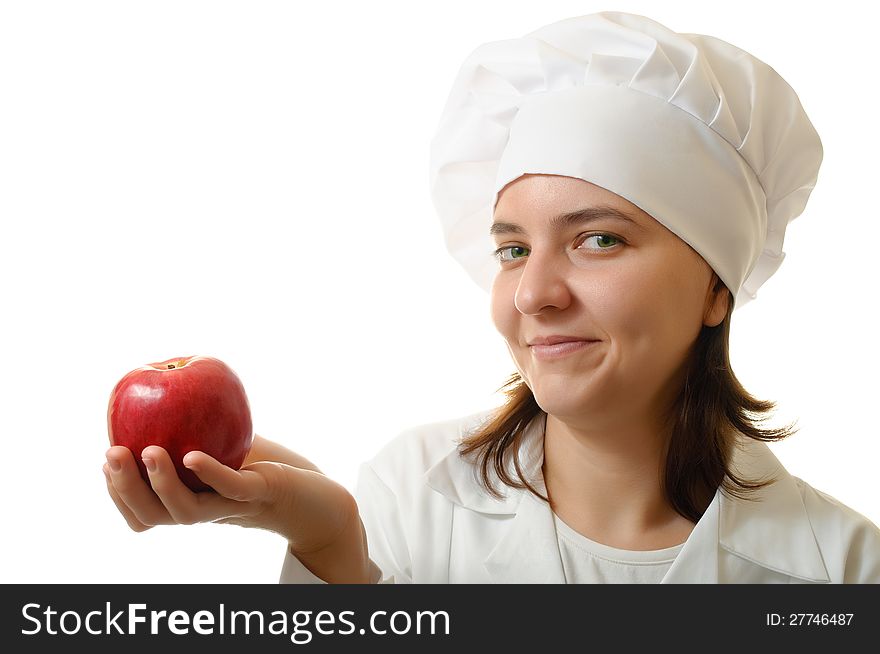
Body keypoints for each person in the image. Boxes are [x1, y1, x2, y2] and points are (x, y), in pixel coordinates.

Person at [103, 11, 880, 584]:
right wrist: (334, 549)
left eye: (598, 239)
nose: (533, 293)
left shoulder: (842, 571)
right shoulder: (403, 502)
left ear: (716, 285)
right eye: (512, 248)